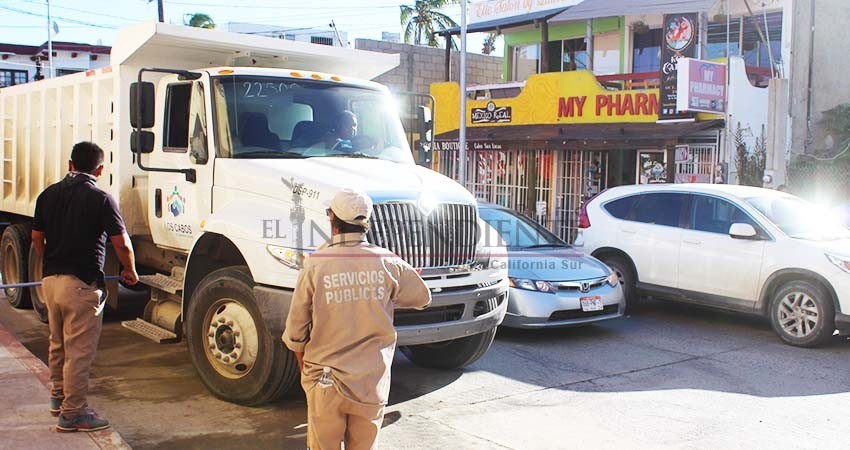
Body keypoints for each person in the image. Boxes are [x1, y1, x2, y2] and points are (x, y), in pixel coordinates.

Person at [283, 188, 431, 450]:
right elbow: (422, 298)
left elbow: (296, 329)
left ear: (333, 222)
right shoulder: (387, 262)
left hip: (325, 379)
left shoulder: (316, 264)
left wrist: (304, 364)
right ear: (366, 224)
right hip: (370, 383)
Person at [31, 141, 139, 432]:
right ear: (100, 169)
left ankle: (58, 398)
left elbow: (36, 238)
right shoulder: (101, 199)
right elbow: (121, 243)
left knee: (58, 344)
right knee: (79, 352)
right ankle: (74, 413)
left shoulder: (48, 195)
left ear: (70, 165)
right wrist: (130, 270)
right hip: (81, 285)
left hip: (51, 282)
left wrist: (50, 263)